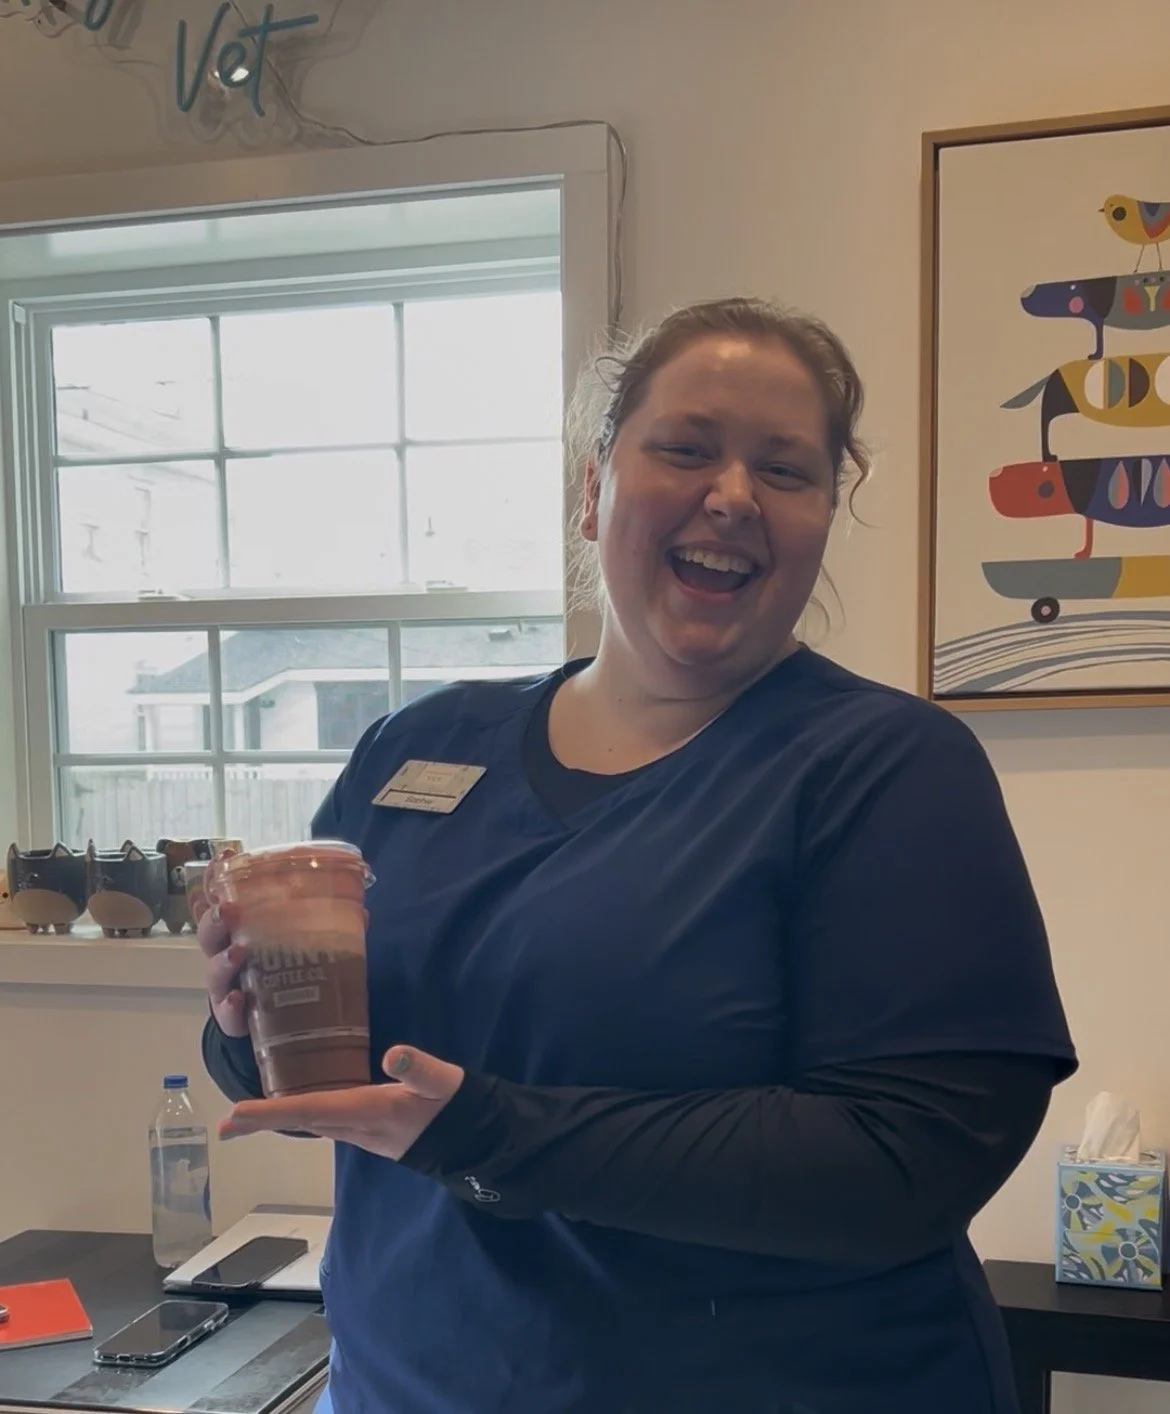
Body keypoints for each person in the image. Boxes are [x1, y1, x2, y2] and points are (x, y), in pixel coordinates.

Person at [200, 297, 1077, 1414]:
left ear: (822, 515)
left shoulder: (884, 769)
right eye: (685, 448)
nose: (732, 496)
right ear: (590, 488)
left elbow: (913, 1154)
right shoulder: (412, 748)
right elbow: (336, 1079)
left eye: (786, 469)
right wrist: (242, 1028)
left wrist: (494, 1131)